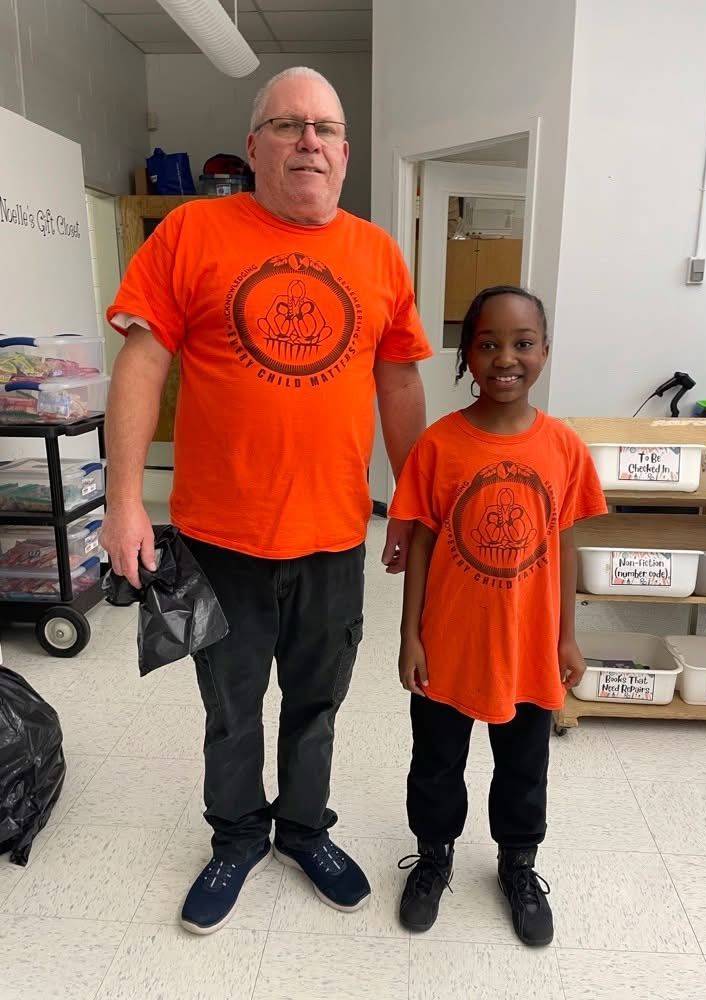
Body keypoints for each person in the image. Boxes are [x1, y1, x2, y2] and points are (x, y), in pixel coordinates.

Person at [102, 66, 431, 935]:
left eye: (326, 128)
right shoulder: (190, 231)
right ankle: (238, 835)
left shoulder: (377, 253)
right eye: (288, 125)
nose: (309, 141)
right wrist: (124, 500)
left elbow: (399, 382)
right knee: (231, 705)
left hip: (333, 537)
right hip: (220, 538)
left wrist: (411, 500)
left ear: (346, 154)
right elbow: (141, 363)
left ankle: (304, 829)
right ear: (254, 147)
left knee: (318, 701)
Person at [389, 286, 607, 946]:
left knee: (523, 766)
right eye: (488, 344)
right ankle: (434, 857)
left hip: (529, 646)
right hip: (449, 643)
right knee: (436, 762)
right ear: (466, 355)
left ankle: (517, 864)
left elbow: (566, 544)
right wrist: (409, 635)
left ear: (544, 351)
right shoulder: (439, 444)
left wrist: (567, 637)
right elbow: (422, 541)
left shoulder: (564, 447)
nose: (505, 358)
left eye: (522, 343)